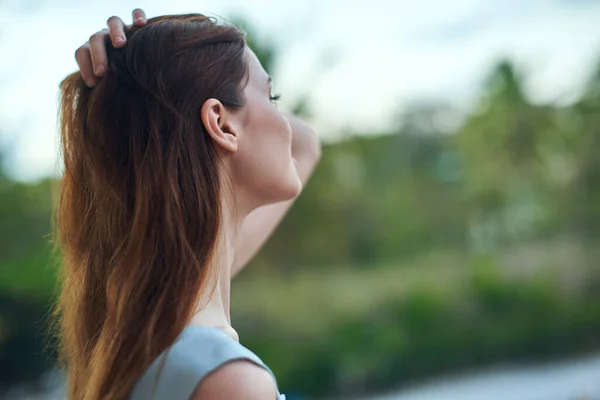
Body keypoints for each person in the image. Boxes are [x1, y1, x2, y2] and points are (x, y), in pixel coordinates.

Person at [53, 9, 321, 400]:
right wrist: (139, 65)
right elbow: (305, 142)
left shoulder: (138, 336)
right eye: (272, 97)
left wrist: (132, 80)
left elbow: (306, 144)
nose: (283, 120)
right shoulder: (226, 380)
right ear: (222, 123)